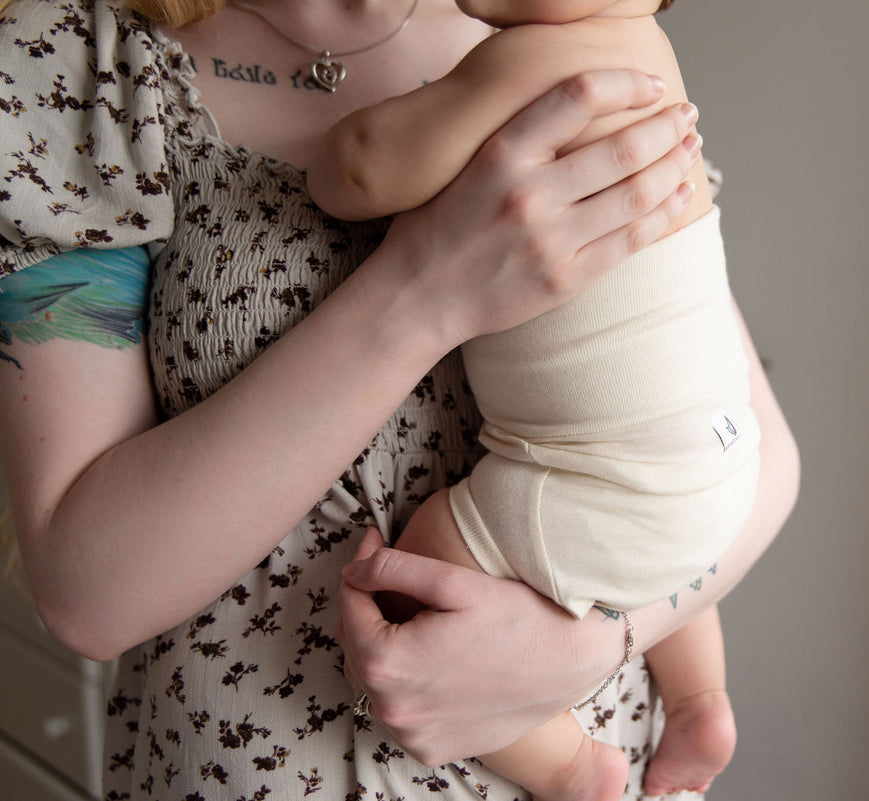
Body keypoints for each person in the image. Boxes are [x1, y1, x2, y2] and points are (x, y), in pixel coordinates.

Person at [0, 1, 800, 801]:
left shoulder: (549, 35)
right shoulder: (79, 58)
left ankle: (575, 755)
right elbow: (87, 596)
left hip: (613, 758)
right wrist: (426, 289)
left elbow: (759, 449)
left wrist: (600, 642)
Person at [308, 1, 753, 798]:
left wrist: (329, 152)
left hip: (611, 479)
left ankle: (572, 766)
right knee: (651, 543)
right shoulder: (650, 57)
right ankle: (698, 702)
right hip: (722, 457)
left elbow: (366, 168)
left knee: (417, 580)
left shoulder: (541, 58)